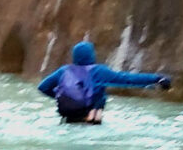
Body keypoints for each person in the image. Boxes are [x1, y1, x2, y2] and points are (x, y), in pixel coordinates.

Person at [38, 39, 171, 125]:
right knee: (100, 94)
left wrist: (61, 96)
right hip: (89, 121)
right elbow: (127, 79)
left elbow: (43, 87)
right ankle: (93, 116)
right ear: (91, 55)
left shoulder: (64, 71)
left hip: (68, 119)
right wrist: (156, 79)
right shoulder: (98, 71)